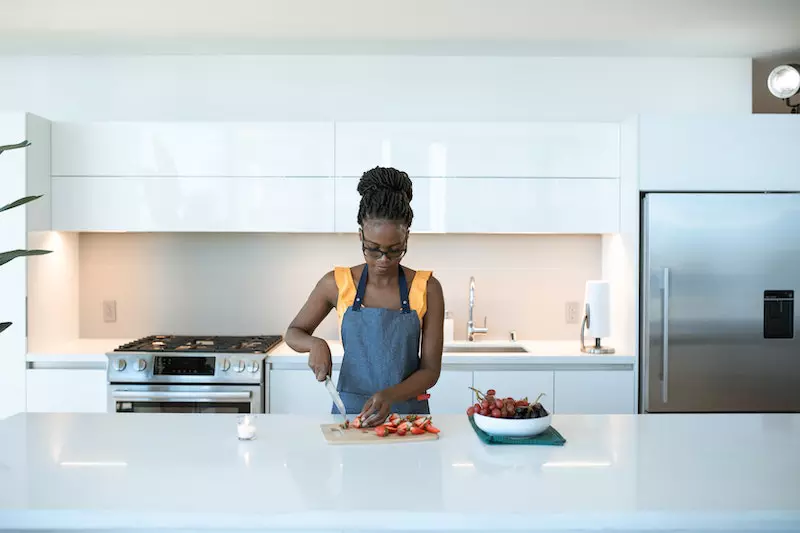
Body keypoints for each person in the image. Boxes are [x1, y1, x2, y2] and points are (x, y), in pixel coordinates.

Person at [285, 166, 445, 427]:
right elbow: (293, 332)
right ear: (360, 235)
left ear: (407, 237)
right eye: (372, 249)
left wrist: (389, 395)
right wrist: (315, 344)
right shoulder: (336, 283)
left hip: (408, 415)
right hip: (350, 413)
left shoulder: (427, 288)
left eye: (395, 250)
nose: (383, 260)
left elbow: (430, 370)